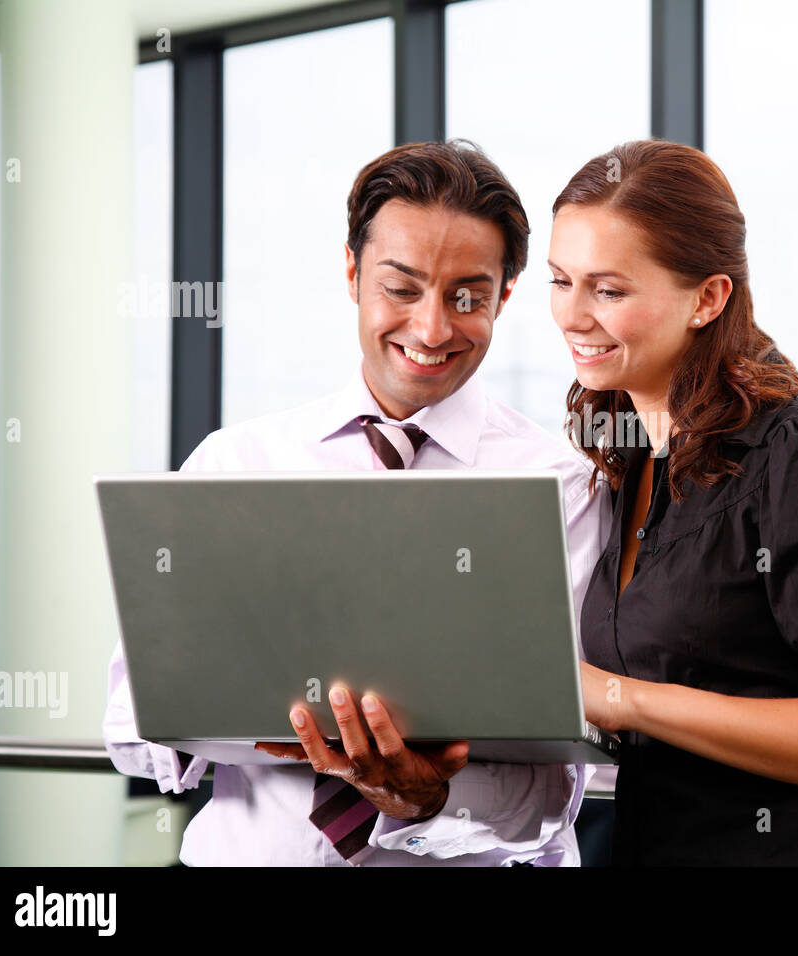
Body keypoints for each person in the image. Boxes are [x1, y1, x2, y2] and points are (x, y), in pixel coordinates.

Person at [103, 140, 612, 866]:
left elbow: (563, 782)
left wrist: (432, 801)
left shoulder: (567, 490)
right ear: (352, 274)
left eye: (467, 295)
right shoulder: (237, 465)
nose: (432, 329)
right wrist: (233, 721)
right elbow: (127, 724)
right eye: (401, 288)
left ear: (505, 293)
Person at [547, 139, 798, 865]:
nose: (572, 316)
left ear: (708, 298)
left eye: (609, 290)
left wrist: (614, 697)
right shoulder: (634, 463)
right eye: (560, 281)